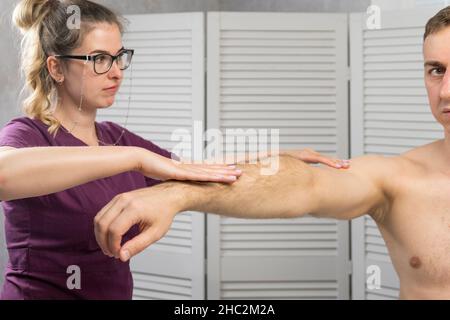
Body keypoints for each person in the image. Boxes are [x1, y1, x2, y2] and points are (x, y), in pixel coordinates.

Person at [95, 6, 450, 300]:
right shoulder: (397, 178)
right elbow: (304, 185)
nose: (446, 91)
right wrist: (176, 193)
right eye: (436, 70)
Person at [0, 0, 348, 300]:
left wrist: (278, 156)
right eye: (100, 59)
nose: (117, 72)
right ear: (56, 66)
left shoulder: (114, 137)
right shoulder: (28, 134)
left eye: (120, 57)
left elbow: (192, 168)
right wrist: (135, 158)